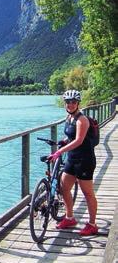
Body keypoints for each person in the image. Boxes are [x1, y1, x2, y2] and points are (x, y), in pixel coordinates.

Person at [48, 89, 98, 236]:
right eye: (68, 102)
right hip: (72, 159)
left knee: (87, 193)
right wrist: (63, 142)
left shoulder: (82, 120)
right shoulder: (68, 118)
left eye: (73, 102)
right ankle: (70, 218)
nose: (70, 104)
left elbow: (79, 140)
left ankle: (92, 224)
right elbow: (70, 136)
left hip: (85, 160)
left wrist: (59, 152)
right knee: (64, 188)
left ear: (78, 103)